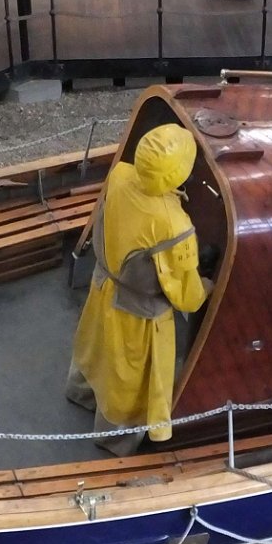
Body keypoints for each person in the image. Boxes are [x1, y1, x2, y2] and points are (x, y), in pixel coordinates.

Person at [66, 124, 210, 455]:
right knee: (127, 380)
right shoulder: (174, 225)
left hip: (103, 288)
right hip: (138, 317)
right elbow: (184, 295)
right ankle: (114, 439)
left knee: (95, 350)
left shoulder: (120, 175)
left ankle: (81, 394)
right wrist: (206, 285)